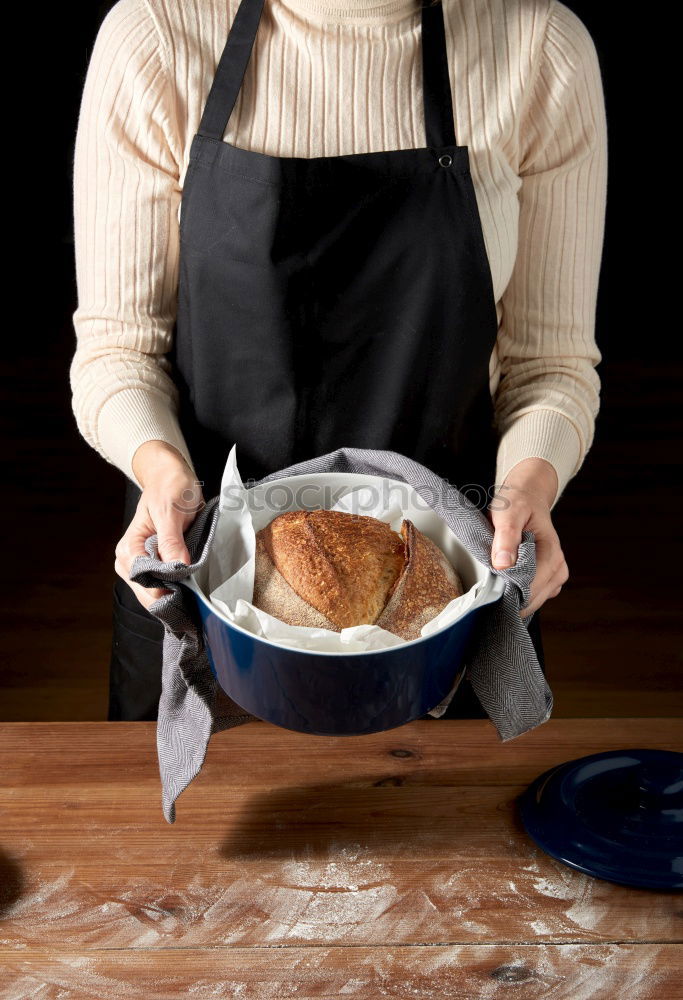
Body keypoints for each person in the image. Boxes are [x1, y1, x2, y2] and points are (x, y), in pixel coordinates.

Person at [70, 0, 607, 721]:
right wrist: (159, 471)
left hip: (445, 588)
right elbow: (117, 348)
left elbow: (550, 364)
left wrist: (530, 482)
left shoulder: (538, 48)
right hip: (206, 577)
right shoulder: (158, 37)